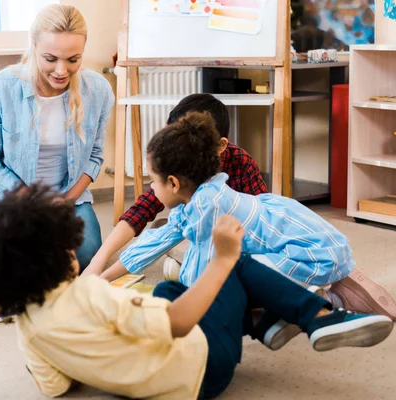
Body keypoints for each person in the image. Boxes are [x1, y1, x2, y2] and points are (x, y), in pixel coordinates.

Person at [0, 183, 393, 399]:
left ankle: (266, 325)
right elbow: (178, 322)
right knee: (233, 266)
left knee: (171, 286)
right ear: (61, 257)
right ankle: (318, 317)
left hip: (151, 371)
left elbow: (54, 386)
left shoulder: (29, 327)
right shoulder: (90, 296)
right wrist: (224, 257)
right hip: (203, 370)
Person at [99, 111, 396, 350]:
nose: (151, 187)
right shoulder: (204, 195)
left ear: (174, 183)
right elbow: (155, 241)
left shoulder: (208, 209)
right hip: (305, 242)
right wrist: (100, 278)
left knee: (224, 275)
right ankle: (274, 318)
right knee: (216, 272)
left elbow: (201, 279)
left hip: (313, 253)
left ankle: (326, 304)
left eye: (153, 180)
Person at [0, 4, 115, 271]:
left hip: (67, 197)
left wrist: (66, 200)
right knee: (20, 265)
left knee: (86, 257)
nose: (61, 70)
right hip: (11, 198)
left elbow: (94, 156)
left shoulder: (99, 91)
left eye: (73, 60)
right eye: (50, 58)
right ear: (34, 47)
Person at [83, 93, 267, 279]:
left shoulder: (236, 166)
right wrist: (97, 264)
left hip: (240, 241)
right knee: (163, 229)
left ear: (221, 146)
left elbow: (262, 222)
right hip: (201, 233)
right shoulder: (178, 165)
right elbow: (143, 212)